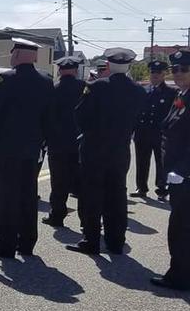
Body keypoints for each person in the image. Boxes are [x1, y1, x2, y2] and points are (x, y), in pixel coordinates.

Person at [0, 38, 53, 259]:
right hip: (32, 148)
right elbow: (49, 114)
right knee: (28, 195)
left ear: (16, 55)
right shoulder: (46, 81)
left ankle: (6, 243)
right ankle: (27, 243)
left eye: (12, 53)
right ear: (35, 57)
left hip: (7, 147)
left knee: (7, 196)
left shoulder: (6, 79)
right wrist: (44, 141)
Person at [67, 47, 146, 256]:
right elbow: (139, 119)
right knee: (117, 196)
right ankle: (116, 241)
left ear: (108, 65)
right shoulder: (138, 91)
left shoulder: (95, 87)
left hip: (94, 148)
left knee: (92, 195)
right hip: (120, 149)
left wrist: (91, 132)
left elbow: (80, 116)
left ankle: (91, 241)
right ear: (129, 66)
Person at [151, 50, 190, 291]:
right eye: (174, 70)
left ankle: (179, 276)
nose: (177, 74)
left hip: (185, 176)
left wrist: (184, 169)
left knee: (181, 228)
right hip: (177, 175)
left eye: (183, 69)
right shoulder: (182, 95)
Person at [43, 56, 85, 227]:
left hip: (58, 143)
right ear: (75, 71)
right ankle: (86, 221)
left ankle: (57, 215)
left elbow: (47, 117)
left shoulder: (54, 89)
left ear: (60, 71)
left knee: (58, 182)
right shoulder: (85, 88)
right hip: (81, 143)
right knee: (83, 184)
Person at [132, 59, 177, 201]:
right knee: (141, 161)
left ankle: (162, 189)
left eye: (158, 73)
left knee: (161, 162)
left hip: (160, 134)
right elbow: (137, 111)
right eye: (152, 72)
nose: (155, 75)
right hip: (143, 132)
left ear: (164, 74)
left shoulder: (171, 92)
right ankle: (141, 187)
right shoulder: (143, 90)